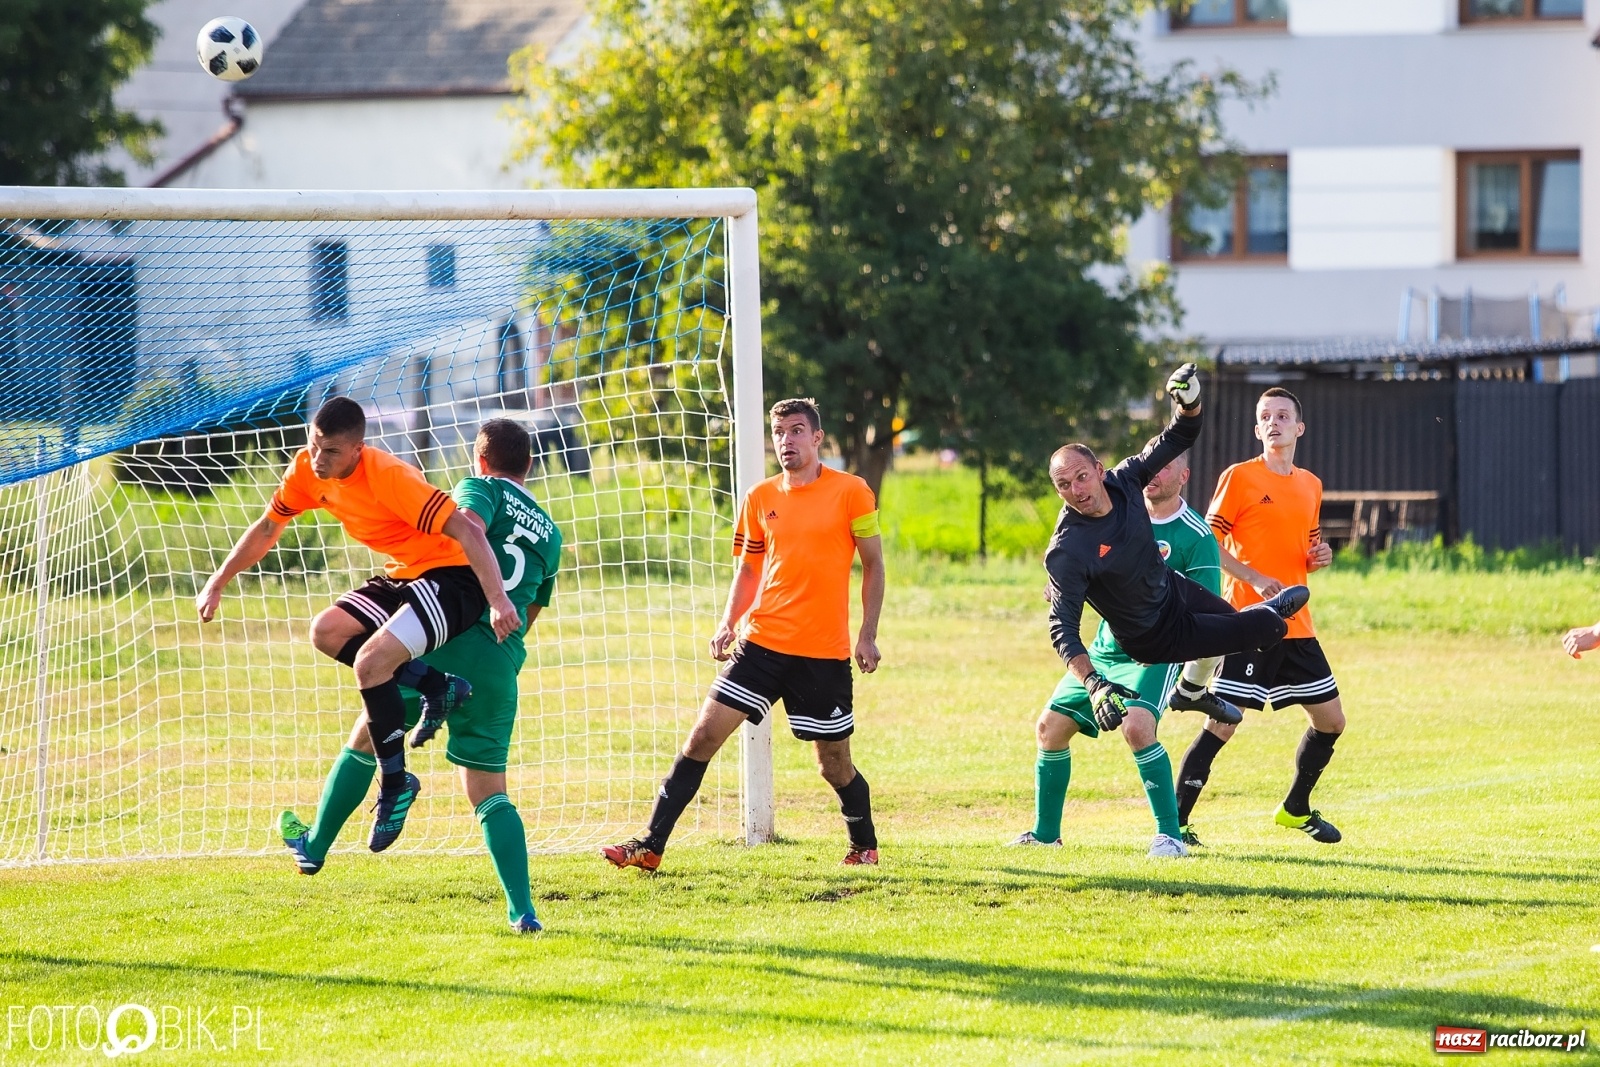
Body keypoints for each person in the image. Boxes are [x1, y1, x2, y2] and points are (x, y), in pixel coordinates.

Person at [276, 420, 563, 934]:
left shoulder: (480, 488)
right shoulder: (553, 532)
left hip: (447, 635)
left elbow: (463, 532)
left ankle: (315, 846)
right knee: (488, 791)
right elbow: (533, 609)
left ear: (480, 459)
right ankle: (523, 911)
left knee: (370, 727)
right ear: (529, 465)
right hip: (499, 662)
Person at [197, 397, 518, 852]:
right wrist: (219, 579)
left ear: (357, 450)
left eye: (330, 451)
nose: (316, 458)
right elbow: (269, 527)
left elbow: (468, 531)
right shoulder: (307, 471)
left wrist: (499, 600)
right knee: (326, 631)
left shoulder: (390, 477)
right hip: (404, 574)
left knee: (371, 664)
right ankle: (436, 685)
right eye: (313, 446)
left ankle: (394, 785)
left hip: (452, 577)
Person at [601, 397, 886, 871]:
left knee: (833, 765)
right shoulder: (760, 497)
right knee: (700, 739)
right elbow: (750, 568)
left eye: (796, 431)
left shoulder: (852, 491)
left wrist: (867, 634)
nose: (786, 441)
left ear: (817, 438)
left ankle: (864, 845)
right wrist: (728, 621)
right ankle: (650, 845)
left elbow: (874, 565)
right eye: (779, 433)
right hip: (762, 643)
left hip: (823, 653)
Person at [1042, 364, 1309, 752]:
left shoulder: (1127, 478)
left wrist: (1190, 403)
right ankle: (1264, 619)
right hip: (1152, 636)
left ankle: (1193, 691)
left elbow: (1181, 433)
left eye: (1081, 477)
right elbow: (1062, 631)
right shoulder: (1067, 549)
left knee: (1232, 627)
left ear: (1100, 471)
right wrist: (1095, 684)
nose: (1076, 490)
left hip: (1173, 589)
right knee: (1267, 632)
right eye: (1063, 485)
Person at [1013, 443, 1238, 857]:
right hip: (1104, 647)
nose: (1155, 474)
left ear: (1183, 476)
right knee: (1050, 728)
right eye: (1066, 483)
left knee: (1137, 728)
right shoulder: (1117, 508)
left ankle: (1170, 836)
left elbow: (1205, 610)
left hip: (1157, 648)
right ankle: (1046, 835)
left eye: (1166, 467)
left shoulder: (1195, 534)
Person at [1174, 386, 1345, 847]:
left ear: (1299, 427)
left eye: (1283, 415)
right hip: (1247, 621)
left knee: (1331, 721)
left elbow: (1304, 550)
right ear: (1256, 429)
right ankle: (1176, 824)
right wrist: (1254, 576)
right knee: (1224, 723)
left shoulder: (1311, 484)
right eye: (1265, 416)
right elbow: (1207, 542)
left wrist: (1318, 556)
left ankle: (1295, 809)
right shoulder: (1240, 477)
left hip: (1297, 625)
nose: (1274, 422)